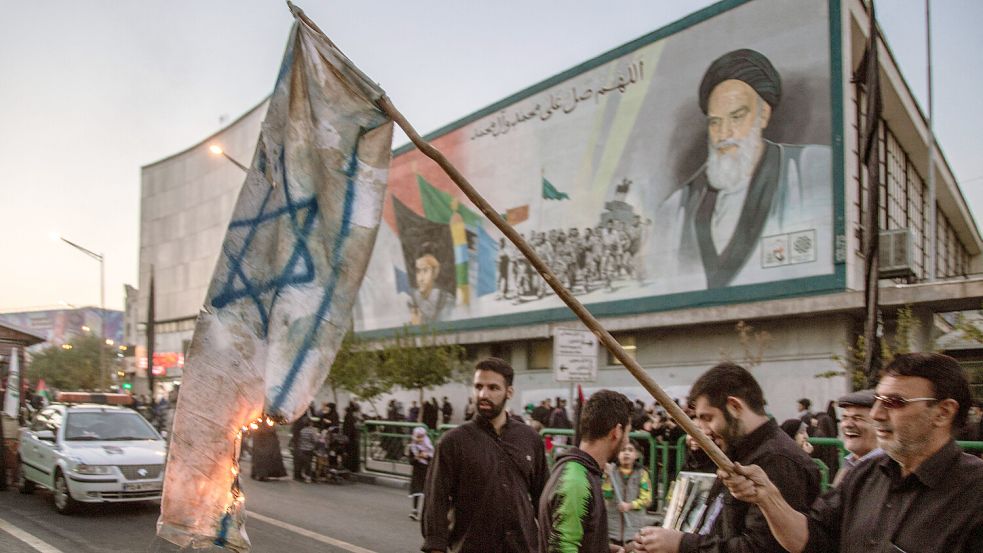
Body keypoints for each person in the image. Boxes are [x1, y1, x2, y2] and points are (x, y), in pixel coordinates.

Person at [718, 352, 983, 553]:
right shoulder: (865, 474)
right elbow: (809, 538)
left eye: (894, 403)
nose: (877, 414)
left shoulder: (974, 493)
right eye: (878, 400)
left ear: (943, 412)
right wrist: (766, 496)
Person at [654, 49, 831, 290]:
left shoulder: (810, 169)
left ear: (763, 115)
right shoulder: (675, 209)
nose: (724, 135)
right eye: (715, 122)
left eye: (736, 117)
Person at [633, 362, 820, 553]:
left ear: (734, 406)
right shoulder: (739, 452)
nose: (703, 430)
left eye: (708, 418)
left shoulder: (778, 460)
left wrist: (681, 544)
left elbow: (760, 547)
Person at [421, 357, 548, 553]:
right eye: (478, 386)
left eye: (493, 388)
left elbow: (543, 499)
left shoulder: (530, 438)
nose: (483, 394)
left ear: (509, 392)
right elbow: (435, 502)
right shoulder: (452, 442)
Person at [538, 389, 633, 553]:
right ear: (616, 432)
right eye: (628, 433)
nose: (627, 441)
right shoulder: (576, 481)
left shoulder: (581, 471)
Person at [603, 440, 653, 547]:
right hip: (612, 529)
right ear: (617, 454)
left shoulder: (642, 473)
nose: (626, 453)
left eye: (630, 450)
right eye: (623, 450)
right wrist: (607, 478)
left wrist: (630, 505)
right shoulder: (611, 472)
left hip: (633, 529)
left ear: (637, 454)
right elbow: (606, 496)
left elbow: (647, 499)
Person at [830, 389, 879, 487]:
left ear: (880, 424)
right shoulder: (850, 463)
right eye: (845, 418)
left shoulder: (888, 469)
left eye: (857, 418)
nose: (848, 425)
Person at [409, 245, 455, 324]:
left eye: (425, 270)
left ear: (435, 272)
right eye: (418, 271)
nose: (421, 278)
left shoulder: (447, 302)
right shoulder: (410, 300)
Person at [408, 426, 434, 521]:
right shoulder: (412, 447)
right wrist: (417, 457)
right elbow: (410, 461)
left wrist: (426, 457)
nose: (419, 439)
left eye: (421, 437)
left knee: (428, 492)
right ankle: (414, 510)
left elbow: (433, 460)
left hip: (426, 472)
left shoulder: (429, 447)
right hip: (417, 472)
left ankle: (427, 512)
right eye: (418, 437)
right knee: (416, 491)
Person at [295, 418, 319, 482]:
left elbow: (300, 440)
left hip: (302, 449)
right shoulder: (312, 431)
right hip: (309, 449)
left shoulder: (302, 430)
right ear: (310, 423)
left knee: (304, 463)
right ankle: (308, 477)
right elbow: (315, 440)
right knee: (309, 463)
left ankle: (303, 475)